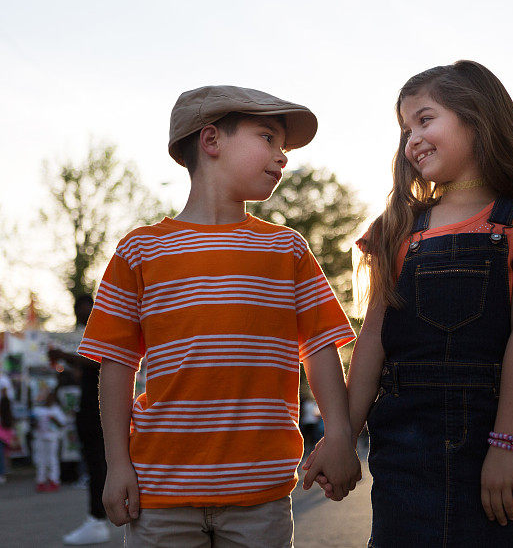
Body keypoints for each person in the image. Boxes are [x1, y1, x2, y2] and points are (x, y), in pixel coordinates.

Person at [306, 60, 513, 546]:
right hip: (403, 450)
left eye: (425, 119)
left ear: (477, 117)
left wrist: (507, 445)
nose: (411, 137)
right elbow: (373, 339)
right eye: (405, 128)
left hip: (491, 440)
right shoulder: (396, 229)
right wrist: (342, 436)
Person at [76, 85, 361, 547]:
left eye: (283, 147)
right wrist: (117, 466)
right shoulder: (139, 251)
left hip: (261, 493)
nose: (282, 157)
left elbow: (320, 347)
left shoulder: (286, 249)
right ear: (211, 141)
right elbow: (117, 365)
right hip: (159, 491)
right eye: (268, 138)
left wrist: (341, 435)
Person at [49, 295, 112, 544]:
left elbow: (96, 360)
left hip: (97, 409)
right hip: (92, 407)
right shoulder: (94, 331)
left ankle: (97, 519)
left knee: (97, 463)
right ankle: (96, 518)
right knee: (96, 463)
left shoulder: (103, 329)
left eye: (82, 307)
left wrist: (65, 355)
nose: (78, 312)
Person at [32, 389, 68, 492]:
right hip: (39, 437)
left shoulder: (56, 410)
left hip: (52, 438)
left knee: (52, 459)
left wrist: (54, 420)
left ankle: (54, 480)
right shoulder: (38, 410)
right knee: (40, 460)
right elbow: (33, 424)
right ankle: (41, 481)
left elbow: (63, 424)